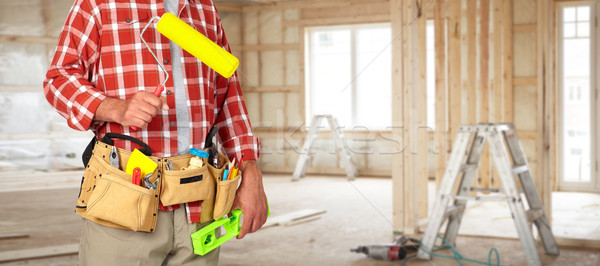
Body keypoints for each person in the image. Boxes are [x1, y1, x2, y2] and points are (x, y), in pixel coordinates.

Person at [43, 0, 268, 264]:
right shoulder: (98, 4)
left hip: (199, 199)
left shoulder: (204, 7)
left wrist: (251, 174)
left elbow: (229, 96)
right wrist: (115, 108)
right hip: (126, 197)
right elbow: (58, 80)